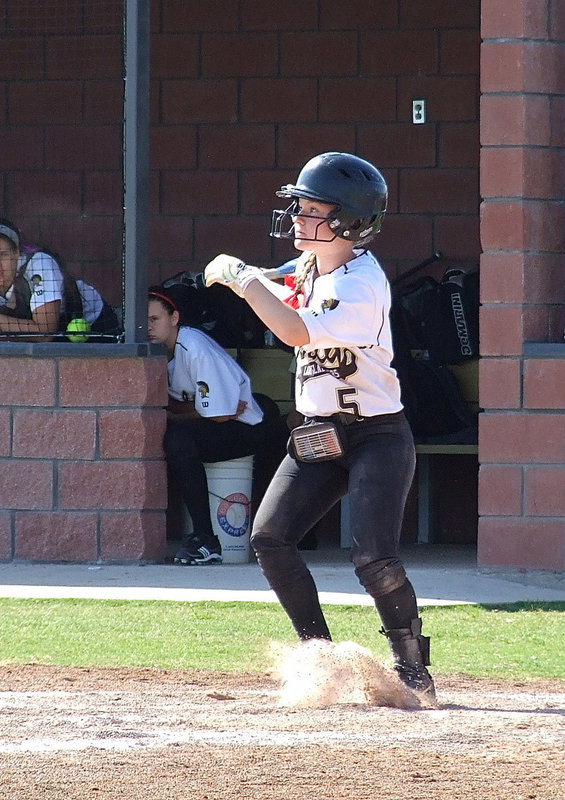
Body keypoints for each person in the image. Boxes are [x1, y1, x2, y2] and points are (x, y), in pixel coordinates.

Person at [202, 151, 436, 703]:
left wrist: (242, 279)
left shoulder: (361, 287)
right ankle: (323, 660)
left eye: (311, 209)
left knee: (373, 559)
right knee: (269, 537)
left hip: (376, 434)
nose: (297, 217)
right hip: (317, 431)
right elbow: (285, 280)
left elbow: (292, 330)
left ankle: (412, 668)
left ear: (348, 222)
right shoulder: (312, 266)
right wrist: (252, 278)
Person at [148, 285, 280, 565]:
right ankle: (204, 538)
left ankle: (205, 539)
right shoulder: (154, 353)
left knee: (178, 441)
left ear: (174, 318)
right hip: (220, 423)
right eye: (144, 321)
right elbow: (196, 410)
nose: (148, 327)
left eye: (155, 319)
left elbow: (219, 416)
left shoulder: (193, 347)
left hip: (248, 428)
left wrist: (175, 415)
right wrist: (183, 412)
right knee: (176, 438)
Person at [0, 218, 118, 340]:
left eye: (3, 255)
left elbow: (44, 333)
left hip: (95, 326)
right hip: (43, 338)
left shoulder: (40, 264)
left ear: (17, 253)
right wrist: (13, 338)